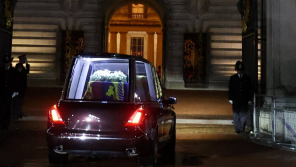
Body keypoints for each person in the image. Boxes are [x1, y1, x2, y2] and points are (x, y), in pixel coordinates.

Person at [228, 61, 252, 134]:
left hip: (244, 99)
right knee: (236, 115)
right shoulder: (233, 78)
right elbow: (230, 88)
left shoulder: (247, 78)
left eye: (240, 70)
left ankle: (241, 128)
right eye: (238, 70)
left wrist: (250, 99)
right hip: (236, 99)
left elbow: (249, 89)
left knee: (243, 115)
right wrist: (230, 98)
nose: (239, 72)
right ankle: (237, 128)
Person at [0, 55, 17, 131]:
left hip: (9, 92)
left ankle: (6, 123)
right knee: (2, 108)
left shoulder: (13, 71)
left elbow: (15, 81)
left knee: (8, 108)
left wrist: (15, 91)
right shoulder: (1, 70)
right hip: (2, 92)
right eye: (5, 63)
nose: (7, 64)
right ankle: (3, 123)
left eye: (8, 63)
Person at [12, 54, 30, 119]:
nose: (24, 60)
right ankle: (16, 113)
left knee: (20, 101)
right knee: (17, 101)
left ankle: (18, 112)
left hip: (22, 87)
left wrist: (27, 64)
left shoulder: (22, 66)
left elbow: (27, 71)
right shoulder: (18, 66)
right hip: (18, 87)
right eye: (24, 59)